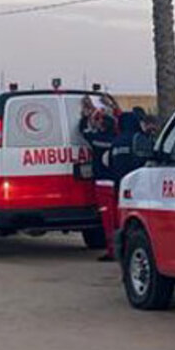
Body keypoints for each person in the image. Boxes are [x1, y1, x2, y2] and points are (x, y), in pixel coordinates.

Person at [78, 98, 123, 261]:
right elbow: (122, 122)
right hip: (116, 182)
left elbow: (83, 130)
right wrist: (115, 107)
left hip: (102, 184)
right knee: (117, 218)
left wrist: (86, 114)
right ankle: (120, 249)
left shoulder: (96, 139)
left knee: (108, 219)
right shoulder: (117, 139)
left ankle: (112, 251)